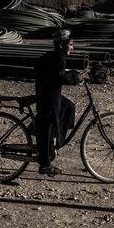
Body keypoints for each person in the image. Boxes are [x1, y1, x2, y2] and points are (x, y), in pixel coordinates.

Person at [34, 29, 81, 175]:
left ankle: (56, 139)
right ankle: (45, 164)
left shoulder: (53, 55)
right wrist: (76, 78)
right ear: (62, 45)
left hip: (47, 95)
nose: (72, 48)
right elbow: (60, 75)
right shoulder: (59, 57)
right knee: (48, 125)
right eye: (70, 44)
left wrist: (73, 74)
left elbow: (59, 73)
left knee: (68, 106)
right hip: (48, 98)